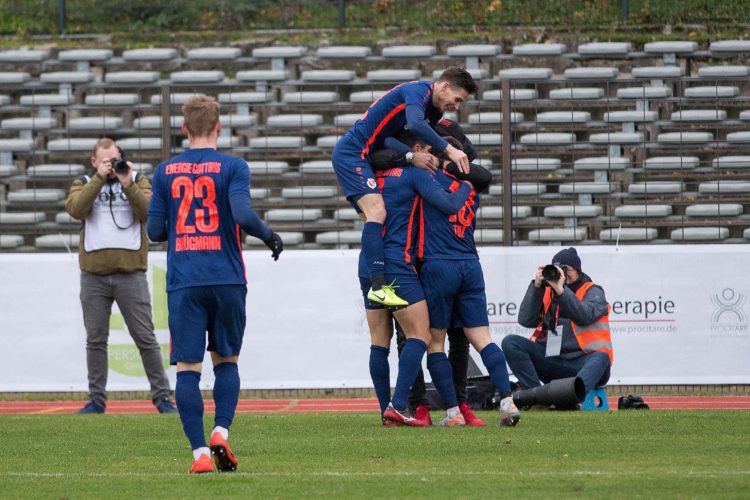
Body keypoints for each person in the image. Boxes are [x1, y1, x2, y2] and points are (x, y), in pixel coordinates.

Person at [147, 95, 283, 474]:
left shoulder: (165, 171)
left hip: (186, 279)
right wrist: (270, 236)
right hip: (226, 277)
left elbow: (155, 230)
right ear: (219, 126)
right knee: (226, 361)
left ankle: (200, 454)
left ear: (183, 129)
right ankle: (221, 430)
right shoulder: (233, 167)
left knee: (188, 369)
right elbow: (242, 213)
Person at [332, 67, 477, 309]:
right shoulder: (417, 91)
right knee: (377, 212)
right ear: (444, 87)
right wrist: (448, 149)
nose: (457, 106)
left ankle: (377, 283)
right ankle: (377, 288)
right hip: (353, 153)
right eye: (457, 99)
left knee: (375, 219)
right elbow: (415, 124)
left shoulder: (432, 113)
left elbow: (389, 141)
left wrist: (411, 156)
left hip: (370, 157)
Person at [365, 136, 475, 427]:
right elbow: (449, 204)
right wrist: (466, 185)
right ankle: (398, 405)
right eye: (432, 153)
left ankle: (385, 412)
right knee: (421, 335)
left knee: (379, 341)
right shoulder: (416, 174)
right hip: (396, 263)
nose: (435, 159)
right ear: (419, 149)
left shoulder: (375, 174)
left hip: (368, 263)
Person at [414, 136, 521, 427]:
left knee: (435, 342)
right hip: (470, 265)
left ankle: (452, 413)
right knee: (482, 338)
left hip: (438, 264)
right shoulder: (470, 186)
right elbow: (482, 175)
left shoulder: (429, 179)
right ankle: (508, 401)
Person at [65, 138, 176, 415]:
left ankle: (162, 398)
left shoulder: (138, 181)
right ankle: (96, 400)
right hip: (93, 276)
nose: (111, 165)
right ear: (94, 162)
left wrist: (127, 183)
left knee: (145, 337)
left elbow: (150, 213)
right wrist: (98, 180)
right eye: (104, 161)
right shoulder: (83, 182)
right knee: (95, 340)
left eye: (114, 159)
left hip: (131, 274)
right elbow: (76, 209)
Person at [502, 247, 613, 408]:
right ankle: (537, 399)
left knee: (602, 358)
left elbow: (583, 315)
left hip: (583, 361)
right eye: (559, 269)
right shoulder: (548, 291)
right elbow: (526, 320)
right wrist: (537, 286)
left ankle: (570, 399)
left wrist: (562, 290)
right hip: (554, 360)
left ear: (578, 270)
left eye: (567, 269)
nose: (563, 274)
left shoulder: (593, 290)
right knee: (511, 342)